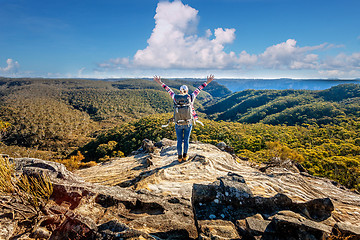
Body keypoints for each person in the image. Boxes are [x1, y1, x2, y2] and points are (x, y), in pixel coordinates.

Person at [153, 75, 214, 162]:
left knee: (179, 141)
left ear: (180, 91)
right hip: (188, 123)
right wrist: (208, 82)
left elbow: (168, 89)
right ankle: (185, 156)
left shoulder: (175, 97)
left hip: (178, 123)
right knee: (186, 140)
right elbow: (199, 89)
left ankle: (179, 157)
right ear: (187, 91)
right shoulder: (191, 97)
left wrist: (159, 82)